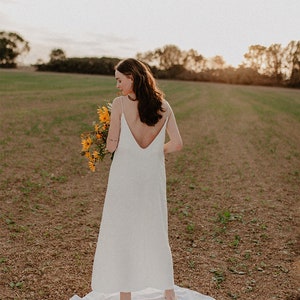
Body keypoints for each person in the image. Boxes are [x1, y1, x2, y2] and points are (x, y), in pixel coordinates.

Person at [71, 59, 215, 300]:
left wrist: (107, 135)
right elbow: (177, 144)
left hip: (125, 178)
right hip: (151, 178)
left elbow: (111, 146)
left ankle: (125, 296)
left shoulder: (118, 105)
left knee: (124, 230)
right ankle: (169, 294)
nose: (117, 86)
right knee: (156, 230)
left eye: (119, 80)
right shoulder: (165, 106)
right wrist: (156, 151)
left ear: (133, 77)